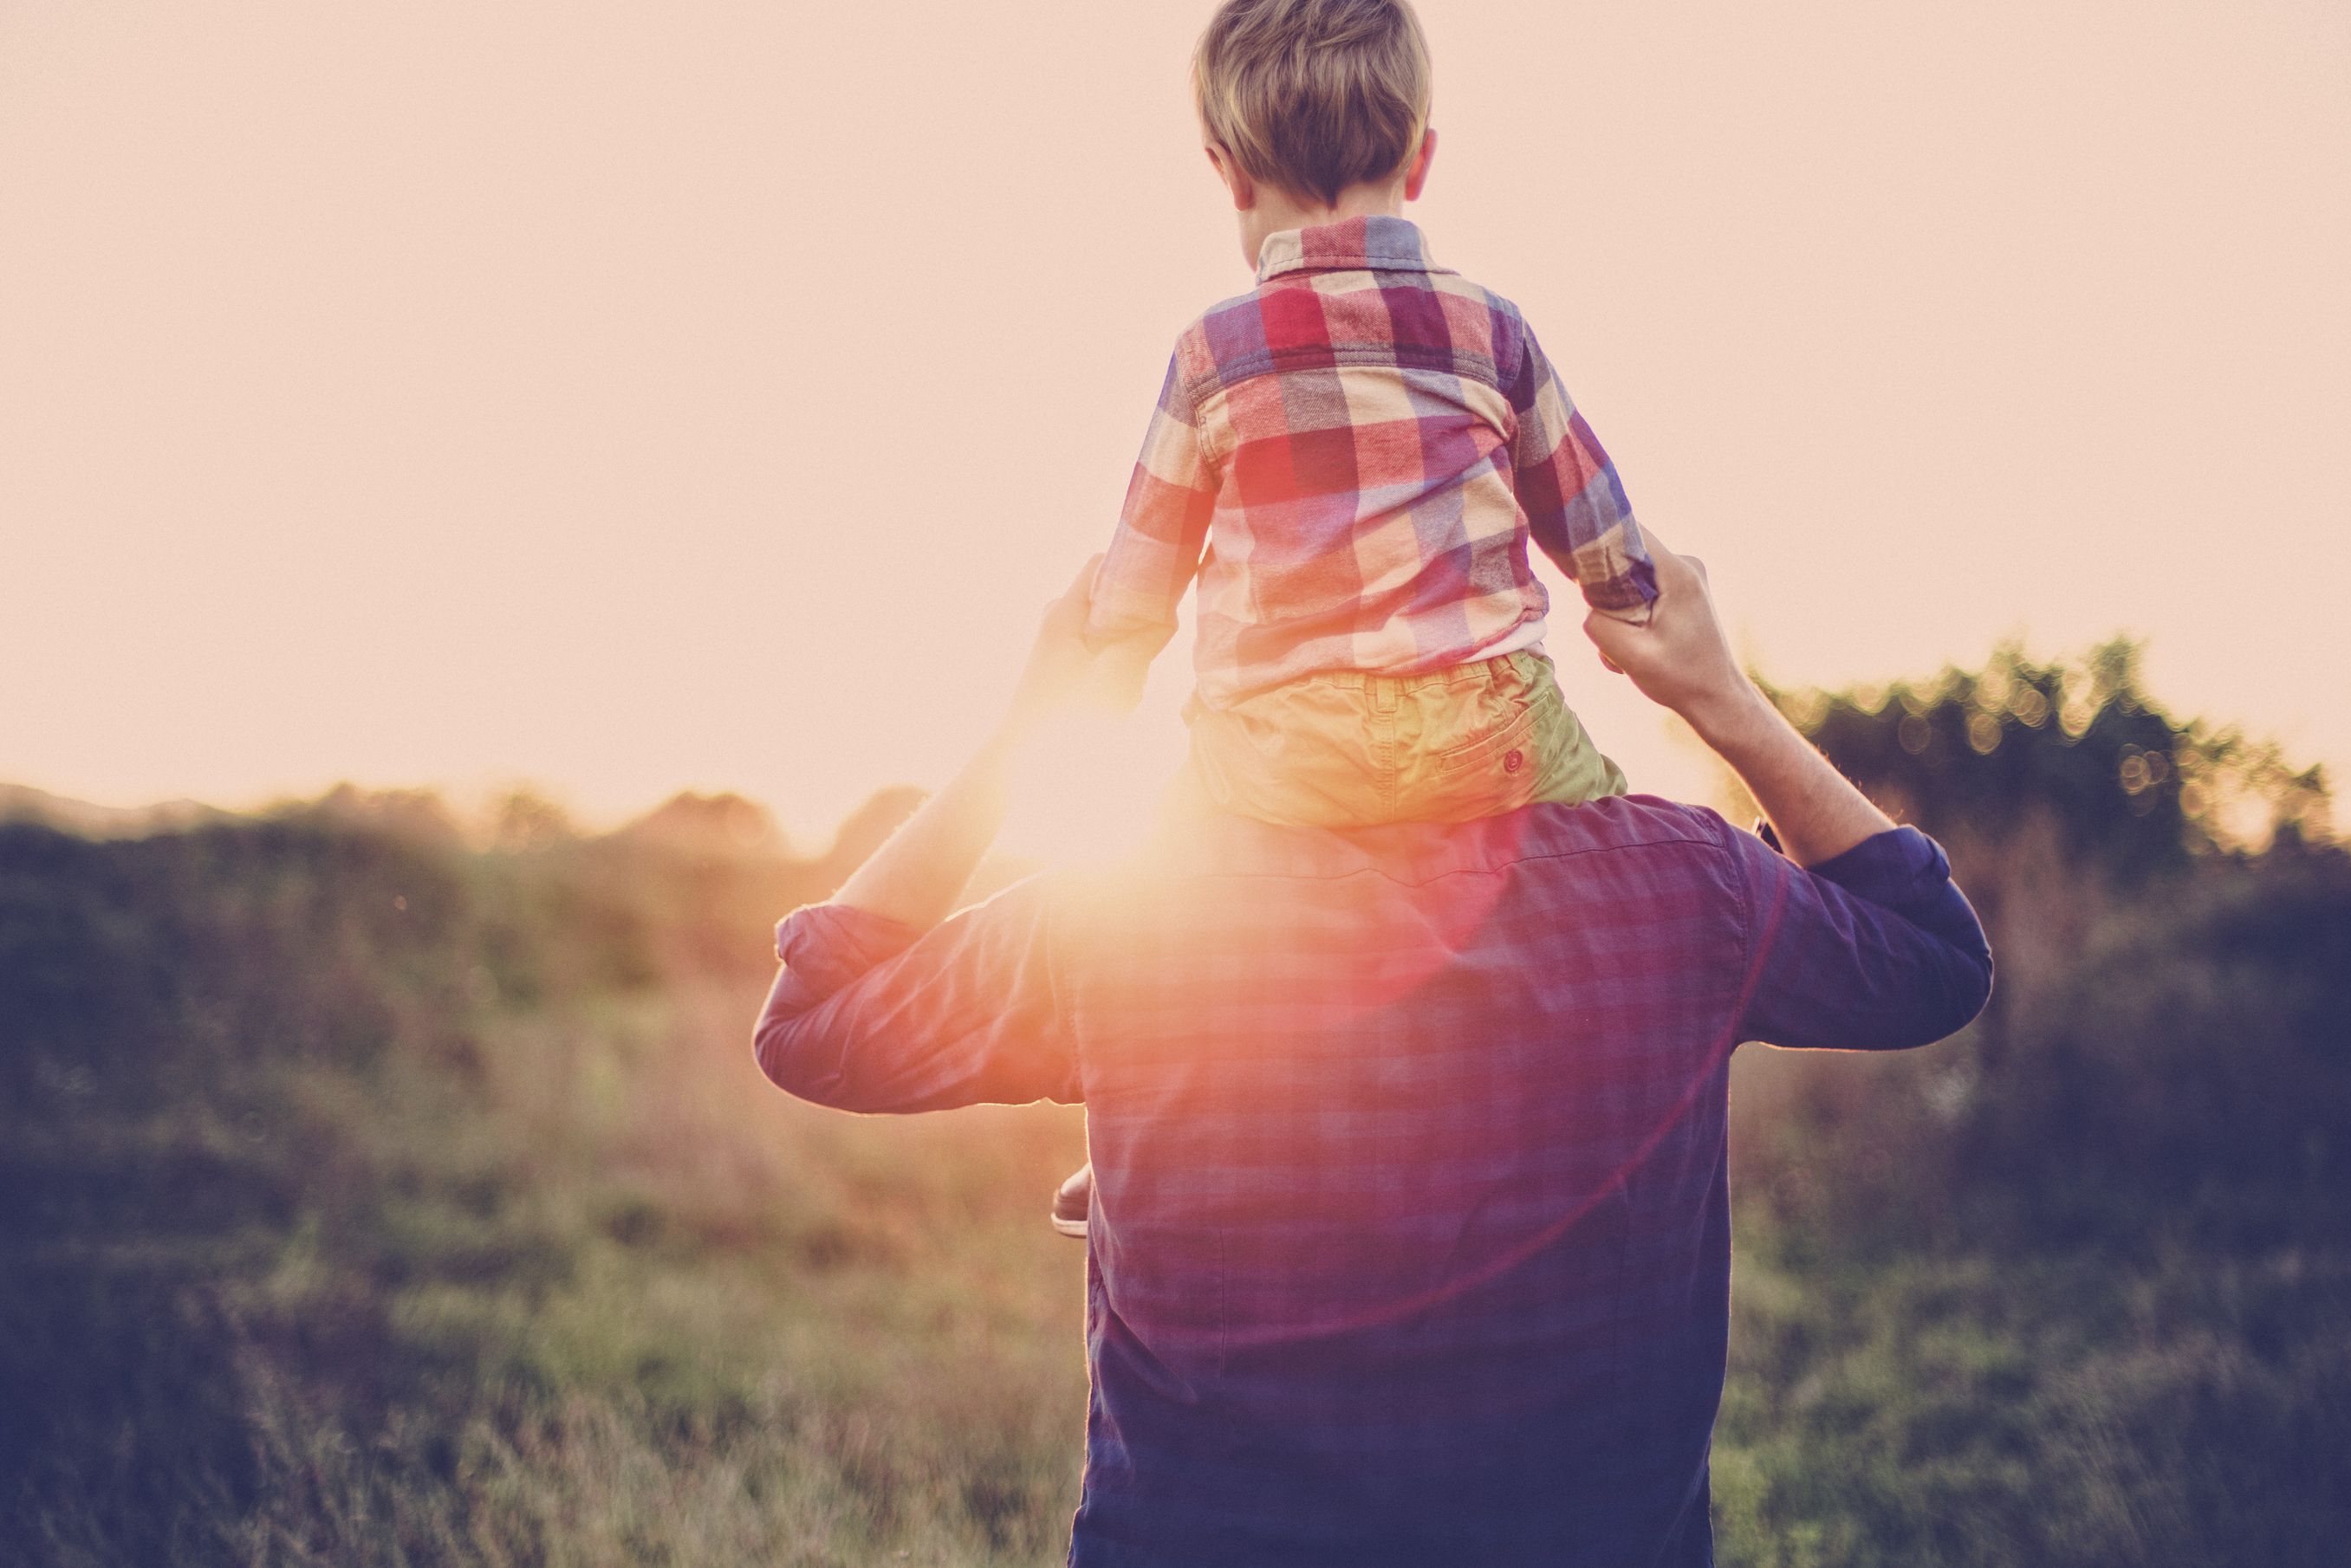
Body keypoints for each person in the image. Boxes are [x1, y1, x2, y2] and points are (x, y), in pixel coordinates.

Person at [752, 541, 1993, 1567]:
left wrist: (1032, 725)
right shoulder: (1682, 884)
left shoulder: (1130, 910)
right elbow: (1932, 955)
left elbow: (813, 1022)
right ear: (1509, 643)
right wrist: (1716, 692)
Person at [1063, 0, 1659, 1232]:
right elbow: (1601, 535)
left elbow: (1137, 586)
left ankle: (1122, 1123)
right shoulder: (1495, 334)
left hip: (1277, 756)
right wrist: (1630, 596)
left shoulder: (1212, 355)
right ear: (1422, 159)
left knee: (1154, 897)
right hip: (1487, 730)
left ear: (1227, 175)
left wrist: (1106, 675)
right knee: (1620, 830)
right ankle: (1632, 1041)